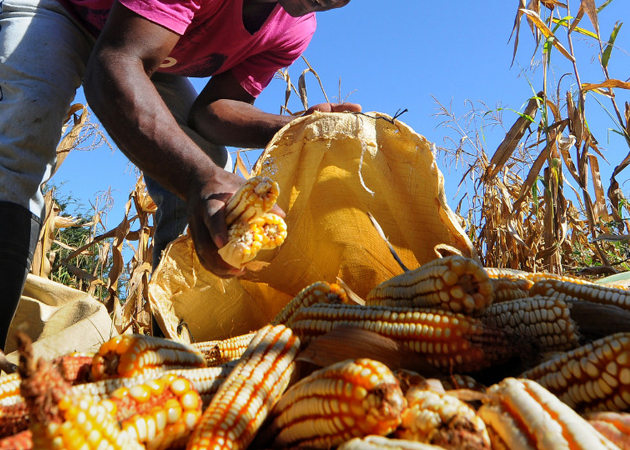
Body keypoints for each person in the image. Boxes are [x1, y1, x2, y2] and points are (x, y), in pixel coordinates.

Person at [0, 0, 361, 350]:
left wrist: (296, 126)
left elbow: (211, 113)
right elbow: (114, 63)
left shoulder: (293, 28)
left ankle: (169, 354)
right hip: (66, 11)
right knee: (20, 139)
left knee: (203, 156)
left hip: (143, 49)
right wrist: (197, 179)